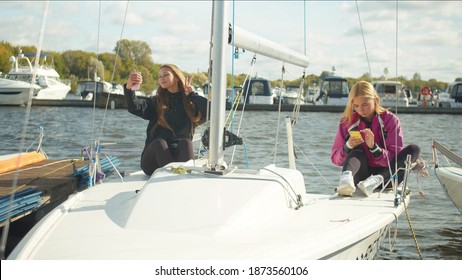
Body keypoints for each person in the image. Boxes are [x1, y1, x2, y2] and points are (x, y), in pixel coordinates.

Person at [331, 80, 420, 196]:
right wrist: (348, 147)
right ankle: (346, 179)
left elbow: (395, 159)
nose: (361, 110)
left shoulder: (391, 120)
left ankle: (377, 179)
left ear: (376, 100)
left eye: (365, 104)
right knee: (358, 150)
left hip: (387, 178)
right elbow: (335, 159)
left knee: (414, 149)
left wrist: (374, 148)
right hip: (361, 177)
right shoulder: (347, 122)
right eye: (356, 106)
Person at [124, 64, 208, 176]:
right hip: (153, 161)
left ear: (177, 77)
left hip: (178, 158)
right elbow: (135, 107)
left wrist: (192, 95)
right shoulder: (156, 102)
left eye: (165, 75)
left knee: (186, 143)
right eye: (159, 76)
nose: (161, 78)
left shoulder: (189, 105)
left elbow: (210, 111)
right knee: (160, 143)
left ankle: (184, 180)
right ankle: (173, 177)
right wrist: (129, 88)